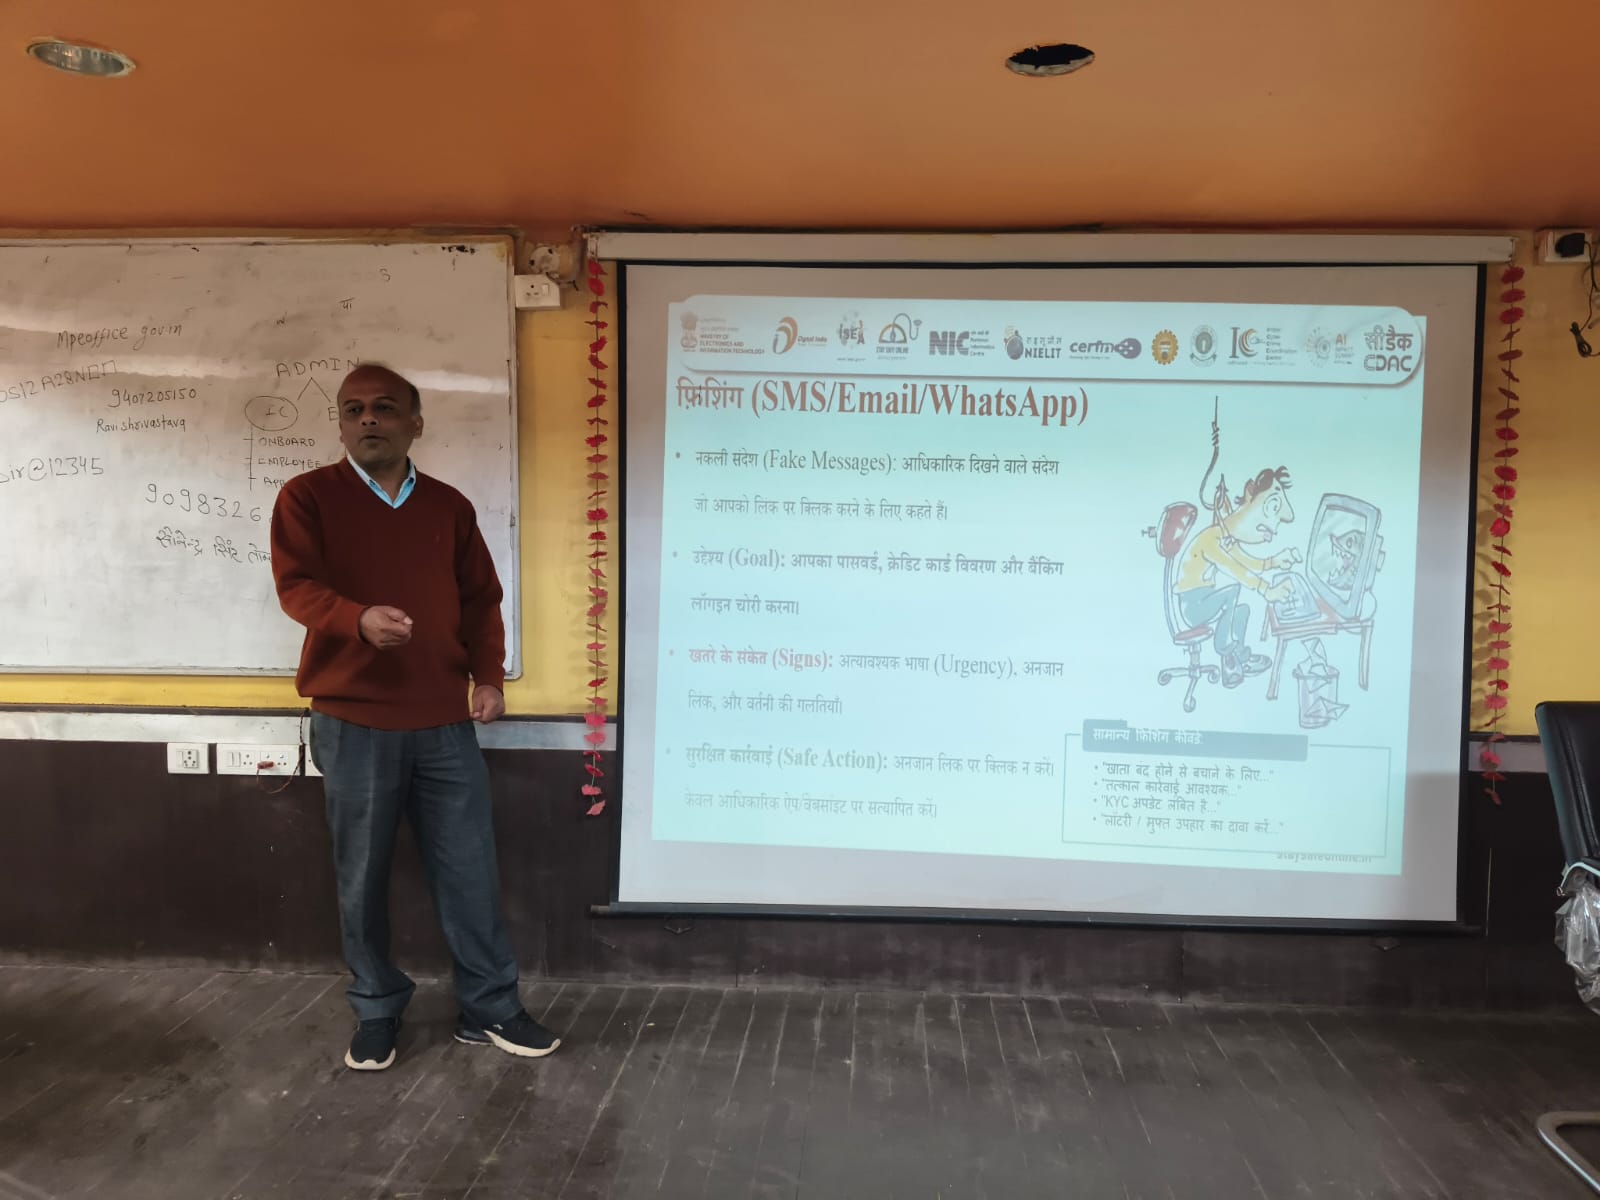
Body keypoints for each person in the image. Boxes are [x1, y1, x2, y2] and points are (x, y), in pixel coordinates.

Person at [270, 363, 559, 1071]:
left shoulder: (449, 507)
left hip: (442, 724)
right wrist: (356, 619)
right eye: (353, 409)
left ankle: (490, 1007)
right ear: (342, 425)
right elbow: (296, 586)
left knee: (470, 873)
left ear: (415, 423)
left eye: (384, 407)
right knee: (361, 878)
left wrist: (487, 677)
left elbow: (481, 600)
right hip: (353, 722)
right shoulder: (307, 497)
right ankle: (376, 1007)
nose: (368, 419)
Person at [1173, 466, 1301, 687]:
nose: (1270, 534)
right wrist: (1266, 590)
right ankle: (1226, 651)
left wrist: (1274, 561)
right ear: (1249, 496)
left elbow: (1245, 562)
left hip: (1206, 599)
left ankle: (1239, 659)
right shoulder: (1211, 539)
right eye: (1270, 507)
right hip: (1192, 605)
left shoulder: (1225, 539)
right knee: (1233, 590)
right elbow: (1234, 569)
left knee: (1242, 611)